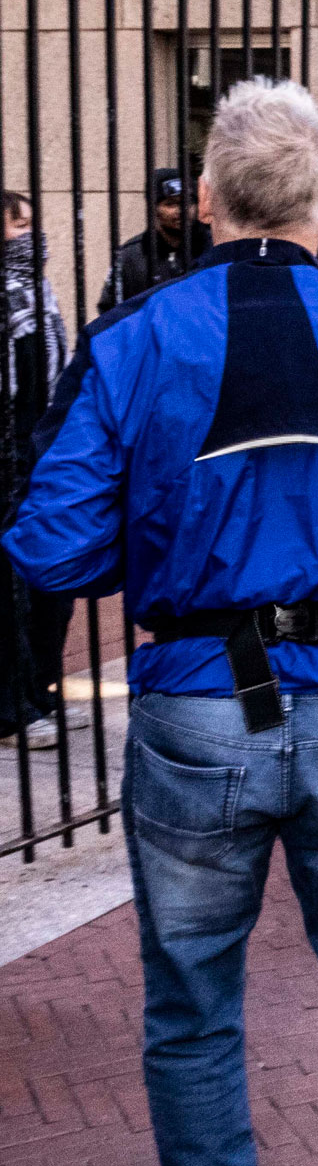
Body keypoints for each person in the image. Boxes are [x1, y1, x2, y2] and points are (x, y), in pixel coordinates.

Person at [2, 80, 318, 1166]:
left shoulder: (136, 338)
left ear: (205, 199)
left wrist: (170, 522)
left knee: (194, 1011)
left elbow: (54, 549)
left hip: (196, 707)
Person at [1, 189, 69, 749]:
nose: (33, 235)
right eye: (20, 225)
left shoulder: (36, 291)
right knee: (11, 585)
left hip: (41, 446)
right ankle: (12, 710)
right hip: (11, 449)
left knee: (47, 577)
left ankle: (38, 689)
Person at [97, 167, 212, 314]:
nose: (181, 210)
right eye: (171, 204)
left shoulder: (214, 247)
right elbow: (110, 312)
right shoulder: (130, 256)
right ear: (153, 208)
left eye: (187, 202)